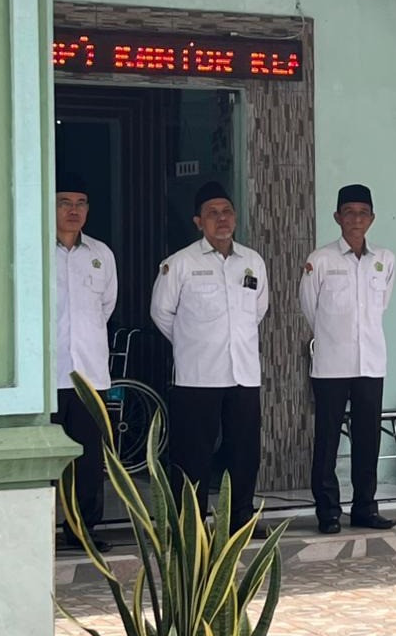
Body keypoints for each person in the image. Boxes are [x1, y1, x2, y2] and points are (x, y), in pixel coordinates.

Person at [150, 181, 269, 533]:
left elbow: (258, 309)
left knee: (244, 452)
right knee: (192, 454)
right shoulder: (180, 264)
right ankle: (190, 523)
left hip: (243, 374)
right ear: (198, 222)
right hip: (197, 375)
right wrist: (192, 343)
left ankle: (240, 518)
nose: (222, 219)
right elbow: (161, 313)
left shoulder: (252, 262)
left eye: (227, 211)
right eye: (212, 213)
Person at [300, 184, 396, 534]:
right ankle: (328, 512)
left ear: (372, 218)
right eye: (349, 213)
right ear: (337, 217)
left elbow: (381, 305)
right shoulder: (320, 260)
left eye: (363, 213)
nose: (356, 219)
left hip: (371, 363)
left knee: (368, 439)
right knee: (327, 439)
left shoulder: (384, 260)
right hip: (331, 364)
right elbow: (309, 308)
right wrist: (333, 337)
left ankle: (365, 508)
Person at [53, 172, 118, 552]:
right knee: (47, 458)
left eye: (80, 204)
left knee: (88, 458)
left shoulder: (101, 255)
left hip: (90, 374)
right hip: (48, 375)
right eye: (65, 203)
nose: (73, 210)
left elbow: (106, 306)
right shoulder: (34, 249)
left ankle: (83, 531)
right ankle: (39, 528)